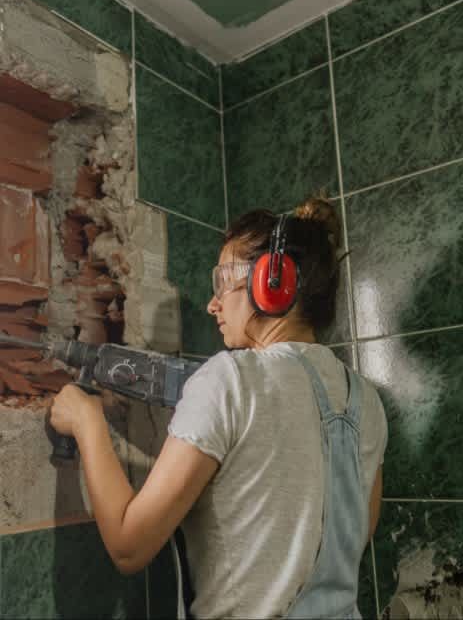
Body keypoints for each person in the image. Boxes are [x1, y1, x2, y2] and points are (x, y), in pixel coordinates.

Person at [50, 195, 388, 618]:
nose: (214, 304)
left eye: (223, 282)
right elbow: (358, 531)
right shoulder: (366, 399)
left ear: (272, 282)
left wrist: (87, 421)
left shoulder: (230, 379)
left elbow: (129, 546)